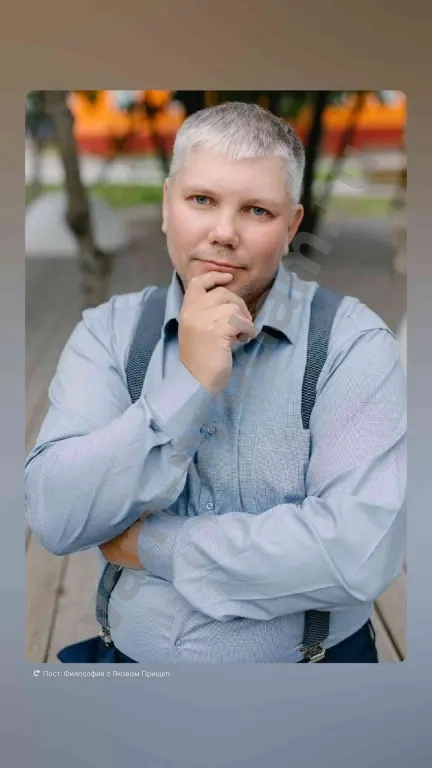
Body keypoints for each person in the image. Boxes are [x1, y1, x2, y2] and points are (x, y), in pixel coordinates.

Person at [25, 102, 406, 663]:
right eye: (201, 200)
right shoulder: (108, 333)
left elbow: (358, 554)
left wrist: (152, 544)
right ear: (166, 205)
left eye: (257, 210)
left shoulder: (352, 342)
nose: (224, 233)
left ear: (292, 226)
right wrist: (187, 385)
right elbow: (56, 515)